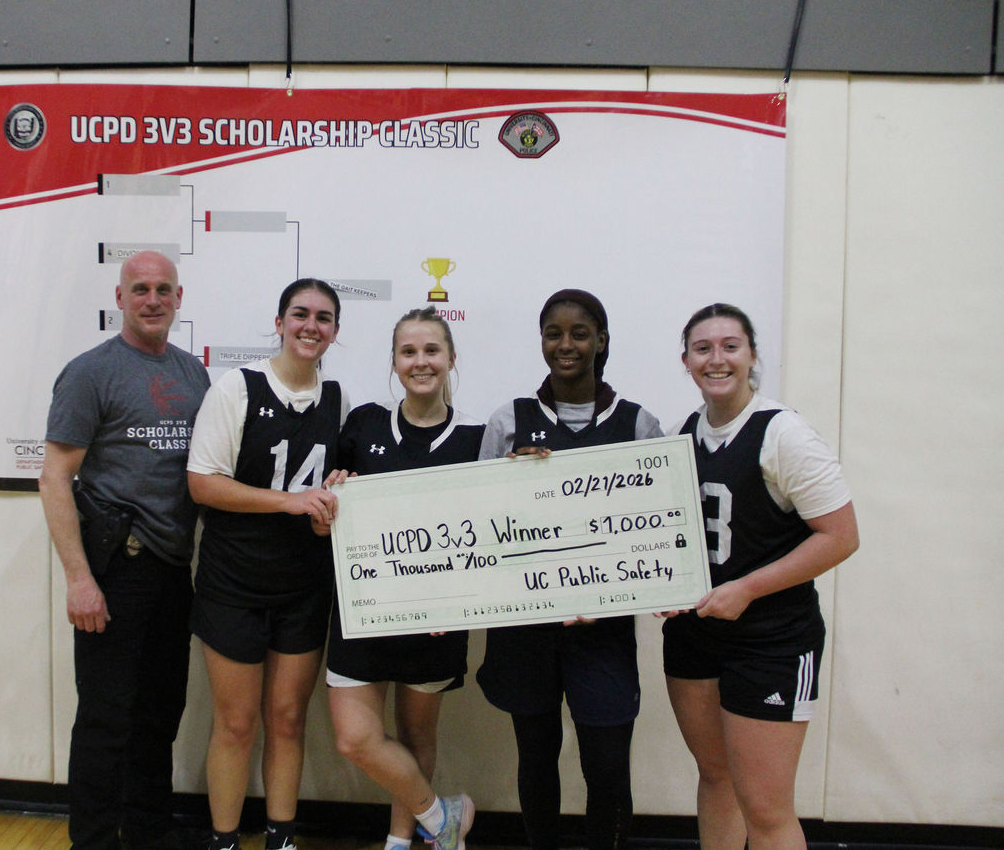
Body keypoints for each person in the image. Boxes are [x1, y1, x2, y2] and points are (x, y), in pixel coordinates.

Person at [662, 304, 858, 850]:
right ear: (686, 361)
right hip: (696, 635)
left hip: (771, 639)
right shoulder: (683, 434)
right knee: (716, 777)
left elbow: (840, 537)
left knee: (766, 807)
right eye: (703, 348)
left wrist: (747, 589)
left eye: (730, 346)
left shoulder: (784, 434)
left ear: (751, 356)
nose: (717, 358)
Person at [476, 289, 663, 850]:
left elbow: (655, 530)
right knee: (536, 755)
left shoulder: (638, 424)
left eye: (580, 333)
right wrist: (509, 483)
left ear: (602, 341)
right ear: (541, 341)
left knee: (606, 766)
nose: (566, 344)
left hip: (601, 632)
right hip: (527, 629)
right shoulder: (509, 421)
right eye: (554, 333)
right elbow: (480, 521)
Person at [39, 251, 211, 850]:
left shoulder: (195, 375)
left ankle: (148, 833)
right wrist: (79, 579)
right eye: (140, 288)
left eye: (164, 288)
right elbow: (55, 477)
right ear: (120, 298)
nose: (153, 299)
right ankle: (91, 841)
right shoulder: (90, 372)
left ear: (179, 297)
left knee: (159, 716)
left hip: (170, 570)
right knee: (106, 721)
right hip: (115, 570)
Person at [186, 278, 348, 850]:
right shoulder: (237, 387)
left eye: (324, 317)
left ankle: (281, 837)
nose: (311, 326)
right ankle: (225, 839)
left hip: (303, 585)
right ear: (279, 322)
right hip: (234, 582)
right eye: (300, 314)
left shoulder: (336, 400)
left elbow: (330, 492)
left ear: (335, 331)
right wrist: (289, 501)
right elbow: (203, 484)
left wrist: (329, 506)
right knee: (236, 723)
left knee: (286, 720)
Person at [325, 307, 482, 850]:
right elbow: (331, 510)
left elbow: (489, 536)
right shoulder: (363, 425)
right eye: (408, 352)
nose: (421, 362)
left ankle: (400, 840)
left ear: (451, 359)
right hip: (364, 612)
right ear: (393, 361)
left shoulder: (476, 440)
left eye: (431, 351)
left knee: (417, 735)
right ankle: (444, 818)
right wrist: (335, 488)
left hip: (435, 621)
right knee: (354, 738)